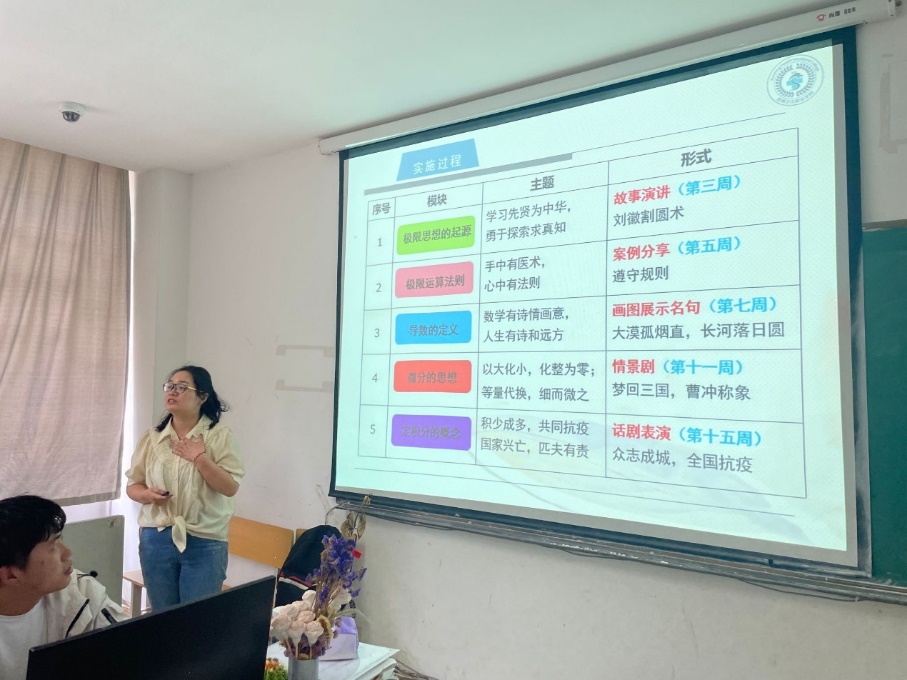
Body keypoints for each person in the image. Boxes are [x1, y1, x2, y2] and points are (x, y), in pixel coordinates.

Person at [126, 365, 244, 610]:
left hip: (204, 540)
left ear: (202, 396)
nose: (172, 392)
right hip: (156, 537)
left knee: (197, 619)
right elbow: (133, 485)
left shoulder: (219, 436)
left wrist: (199, 458)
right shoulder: (152, 438)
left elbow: (230, 487)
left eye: (181, 387)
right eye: (169, 386)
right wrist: (147, 495)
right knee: (162, 617)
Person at [0, 495, 127, 680]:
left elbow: (132, 648)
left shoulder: (81, 592)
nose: (68, 553)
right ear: (10, 575)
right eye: (53, 547)